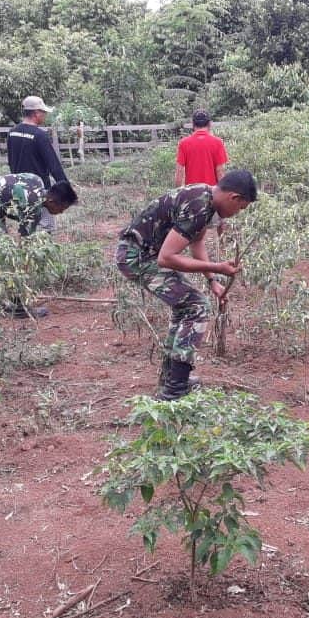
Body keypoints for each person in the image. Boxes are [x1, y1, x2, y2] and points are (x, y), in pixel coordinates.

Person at [116, 170, 258, 400]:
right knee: (195, 306)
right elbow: (167, 258)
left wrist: (212, 281)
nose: (236, 214)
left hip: (144, 254)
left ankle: (172, 379)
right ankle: (174, 388)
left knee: (187, 306)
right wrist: (218, 267)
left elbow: (196, 244)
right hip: (136, 257)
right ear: (234, 198)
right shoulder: (199, 207)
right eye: (240, 208)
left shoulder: (204, 198)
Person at [0, 173, 78, 317]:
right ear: (51, 201)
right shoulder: (33, 207)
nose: (61, 212)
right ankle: (17, 307)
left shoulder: (36, 180)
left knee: (1, 252)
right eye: (62, 208)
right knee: (2, 253)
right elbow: (23, 250)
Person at [7, 96, 70, 234]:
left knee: (26, 225)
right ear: (36, 113)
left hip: (19, 188)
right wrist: (66, 188)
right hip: (39, 188)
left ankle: (26, 251)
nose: (45, 115)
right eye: (43, 112)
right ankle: (44, 254)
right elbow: (54, 165)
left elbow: (11, 161)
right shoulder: (39, 135)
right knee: (47, 227)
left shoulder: (12, 132)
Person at [175, 110, 228, 188]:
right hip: (211, 193)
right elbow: (220, 171)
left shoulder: (184, 143)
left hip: (191, 194)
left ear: (193, 124)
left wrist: (179, 194)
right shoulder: (217, 143)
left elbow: (179, 171)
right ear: (209, 124)